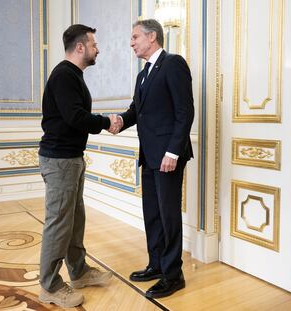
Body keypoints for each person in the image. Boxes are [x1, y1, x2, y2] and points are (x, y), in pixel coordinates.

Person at [110, 19, 194, 299]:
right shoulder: (143, 74)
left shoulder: (173, 64)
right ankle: (156, 264)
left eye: (135, 37)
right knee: (152, 214)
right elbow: (138, 110)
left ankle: (173, 275)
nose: (131, 42)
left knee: (169, 216)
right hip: (149, 155)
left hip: (168, 156)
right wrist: (119, 121)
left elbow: (185, 111)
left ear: (152, 36)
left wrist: (173, 151)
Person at [38, 24, 116, 308]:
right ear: (80, 47)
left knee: (74, 220)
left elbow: (76, 116)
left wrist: (104, 121)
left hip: (70, 158)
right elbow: (75, 117)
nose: (98, 49)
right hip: (59, 160)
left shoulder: (73, 75)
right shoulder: (64, 75)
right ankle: (49, 286)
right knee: (59, 223)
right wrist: (107, 122)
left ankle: (79, 272)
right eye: (94, 44)